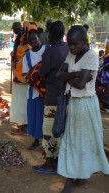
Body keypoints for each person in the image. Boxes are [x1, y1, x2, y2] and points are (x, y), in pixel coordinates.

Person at [57, 25, 109, 193]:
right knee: (73, 140)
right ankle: (77, 176)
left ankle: (75, 178)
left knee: (83, 140)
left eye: (74, 44)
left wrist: (70, 77)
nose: (71, 47)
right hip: (73, 103)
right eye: (69, 44)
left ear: (84, 41)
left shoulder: (91, 56)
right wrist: (75, 74)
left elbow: (80, 85)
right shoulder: (71, 55)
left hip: (86, 104)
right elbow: (59, 75)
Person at [33, 20, 69, 173]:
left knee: (49, 129)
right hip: (67, 95)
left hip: (53, 94)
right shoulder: (69, 48)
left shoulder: (50, 52)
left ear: (50, 35)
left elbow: (41, 73)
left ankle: (49, 164)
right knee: (63, 128)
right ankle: (61, 161)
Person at [22, 29, 48, 150]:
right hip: (33, 91)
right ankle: (37, 140)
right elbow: (25, 75)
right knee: (35, 116)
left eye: (34, 38)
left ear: (39, 37)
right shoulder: (27, 56)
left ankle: (47, 143)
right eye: (30, 40)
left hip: (47, 91)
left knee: (46, 116)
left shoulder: (48, 50)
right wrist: (33, 80)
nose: (32, 41)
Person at [10, 21, 34, 136]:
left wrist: (15, 58)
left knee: (22, 101)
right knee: (21, 100)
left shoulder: (27, 44)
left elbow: (23, 57)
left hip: (22, 78)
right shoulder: (25, 41)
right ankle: (23, 125)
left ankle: (24, 127)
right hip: (20, 76)